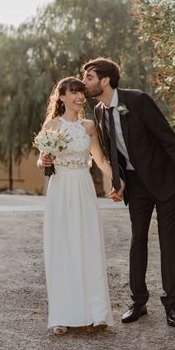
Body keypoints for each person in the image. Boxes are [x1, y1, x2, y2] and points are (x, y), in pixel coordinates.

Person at [81, 58, 175, 327]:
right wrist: (117, 183)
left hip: (163, 179)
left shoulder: (138, 100)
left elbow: (167, 137)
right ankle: (139, 301)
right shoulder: (99, 111)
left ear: (105, 80)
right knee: (137, 241)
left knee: (167, 240)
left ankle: (171, 304)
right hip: (135, 184)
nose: (85, 82)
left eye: (89, 77)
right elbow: (111, 152)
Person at [37, 77, 124, 335]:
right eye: (73, 92)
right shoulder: (52, 125)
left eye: (81, 92)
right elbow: (41, 162)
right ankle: (62, 315)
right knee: (62, 248)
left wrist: (118, 183)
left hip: (84, 189)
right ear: (61, 97)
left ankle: (95, 314)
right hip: (61, 189)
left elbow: (99, 159)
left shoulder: (88, 126)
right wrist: (45, 160)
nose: (79, 97)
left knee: (89, 247)